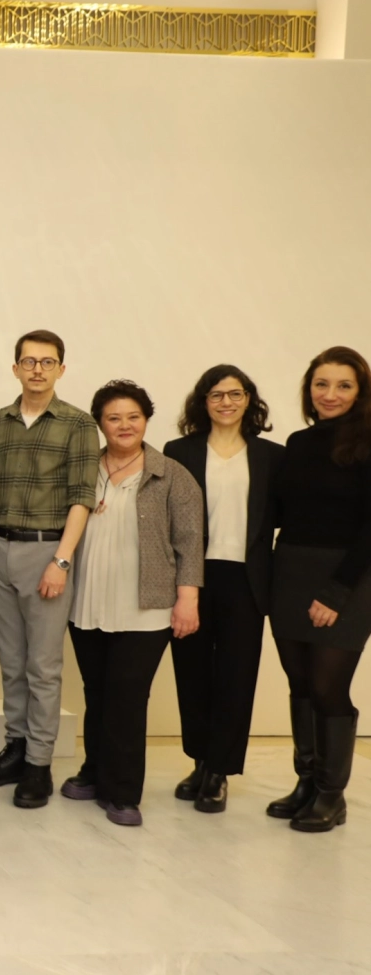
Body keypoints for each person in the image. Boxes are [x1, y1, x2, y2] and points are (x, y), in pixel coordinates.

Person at [60, 381, 203, 827]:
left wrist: (188, 599)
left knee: (127, 696)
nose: (124, 425)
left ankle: (122, 792)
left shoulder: (171, 475)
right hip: (87, 603)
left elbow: (190, 543)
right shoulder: (85, 469)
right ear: (100, 424)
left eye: (133, 417)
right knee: (97, 691)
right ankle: (94, 772)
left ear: (146, 420)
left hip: (146, 608)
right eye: (114, 418)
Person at [0, 330, 99, 809]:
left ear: (61, 369)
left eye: (47, 362)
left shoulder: (78, 424)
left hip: (47, 553)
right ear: (16, 368)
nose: (37, 369)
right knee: (12, 663)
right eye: (29, 361)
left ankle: (39, 764)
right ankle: (16, 750)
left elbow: (82, 497)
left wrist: (62, 560)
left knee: (43, 666)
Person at [163, 366, 284, 813]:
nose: (226, 402)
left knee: (236, 676)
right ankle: (200, 761)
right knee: (192, 673)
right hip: (192, 577)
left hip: (246, 580)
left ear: (249, 399)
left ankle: (220, 771)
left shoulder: (273, 456)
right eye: (216, 395)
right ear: (204, 402)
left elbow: (284, 517)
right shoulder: (180, 451)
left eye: (235, 394)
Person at [267, 346, 371, 833]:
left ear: (360, 391)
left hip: (348, 577)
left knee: (329, 686)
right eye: (321, 384)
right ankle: (306, 782)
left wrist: (336, 591)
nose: (330, 394)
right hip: (291, 571)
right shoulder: (298, 441)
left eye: (343, 385)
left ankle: (332, 794)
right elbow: (284, 512)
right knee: (301, 681)